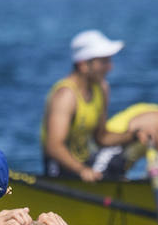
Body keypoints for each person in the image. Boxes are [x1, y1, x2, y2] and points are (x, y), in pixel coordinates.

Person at [40, 29, 138, 181]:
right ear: (83, 65)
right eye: (103, 62)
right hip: (60, 170)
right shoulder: (66, 96)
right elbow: (53, 147)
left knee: (122, 151)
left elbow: (101, 138)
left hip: (85, 162)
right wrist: (82, 171)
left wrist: (133, 136)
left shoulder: (102, 88)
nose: (110, 67)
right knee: (114, 160)